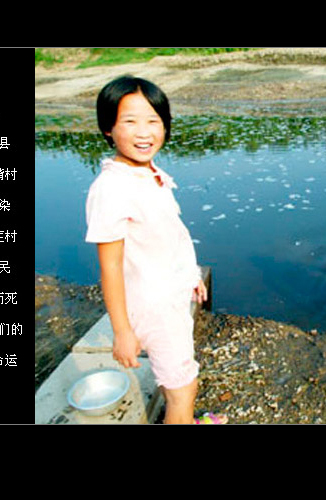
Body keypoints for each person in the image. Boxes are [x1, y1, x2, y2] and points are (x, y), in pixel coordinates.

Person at [85, 76, 226, 424]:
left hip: (170, 294)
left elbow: (170, 235)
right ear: (108, 129)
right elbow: (111, 267)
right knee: (183, 388)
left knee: (173, 377)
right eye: (130, 122)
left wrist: (191, 275)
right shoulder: (112, 188)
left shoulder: (147, 174)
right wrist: (122, 332)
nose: (144, 132)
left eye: (153, 121)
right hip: (154, 308)